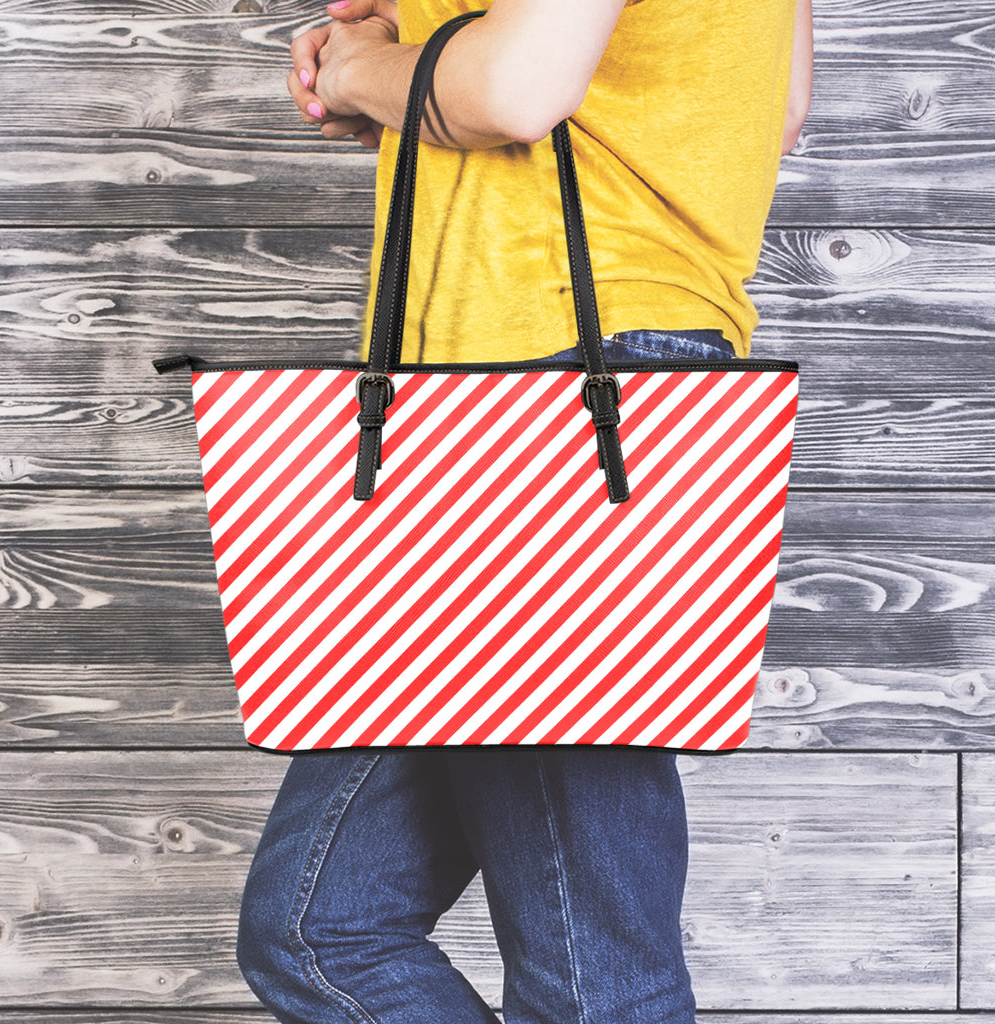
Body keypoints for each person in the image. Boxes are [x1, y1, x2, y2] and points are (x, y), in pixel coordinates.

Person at [236, 2, 813, 1023]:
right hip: (506, 405)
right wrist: (409, 71)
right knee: (317, 928)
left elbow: (513, 90)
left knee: (594, 981)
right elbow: (767, 106)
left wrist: (362, 68)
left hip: (551, 390)